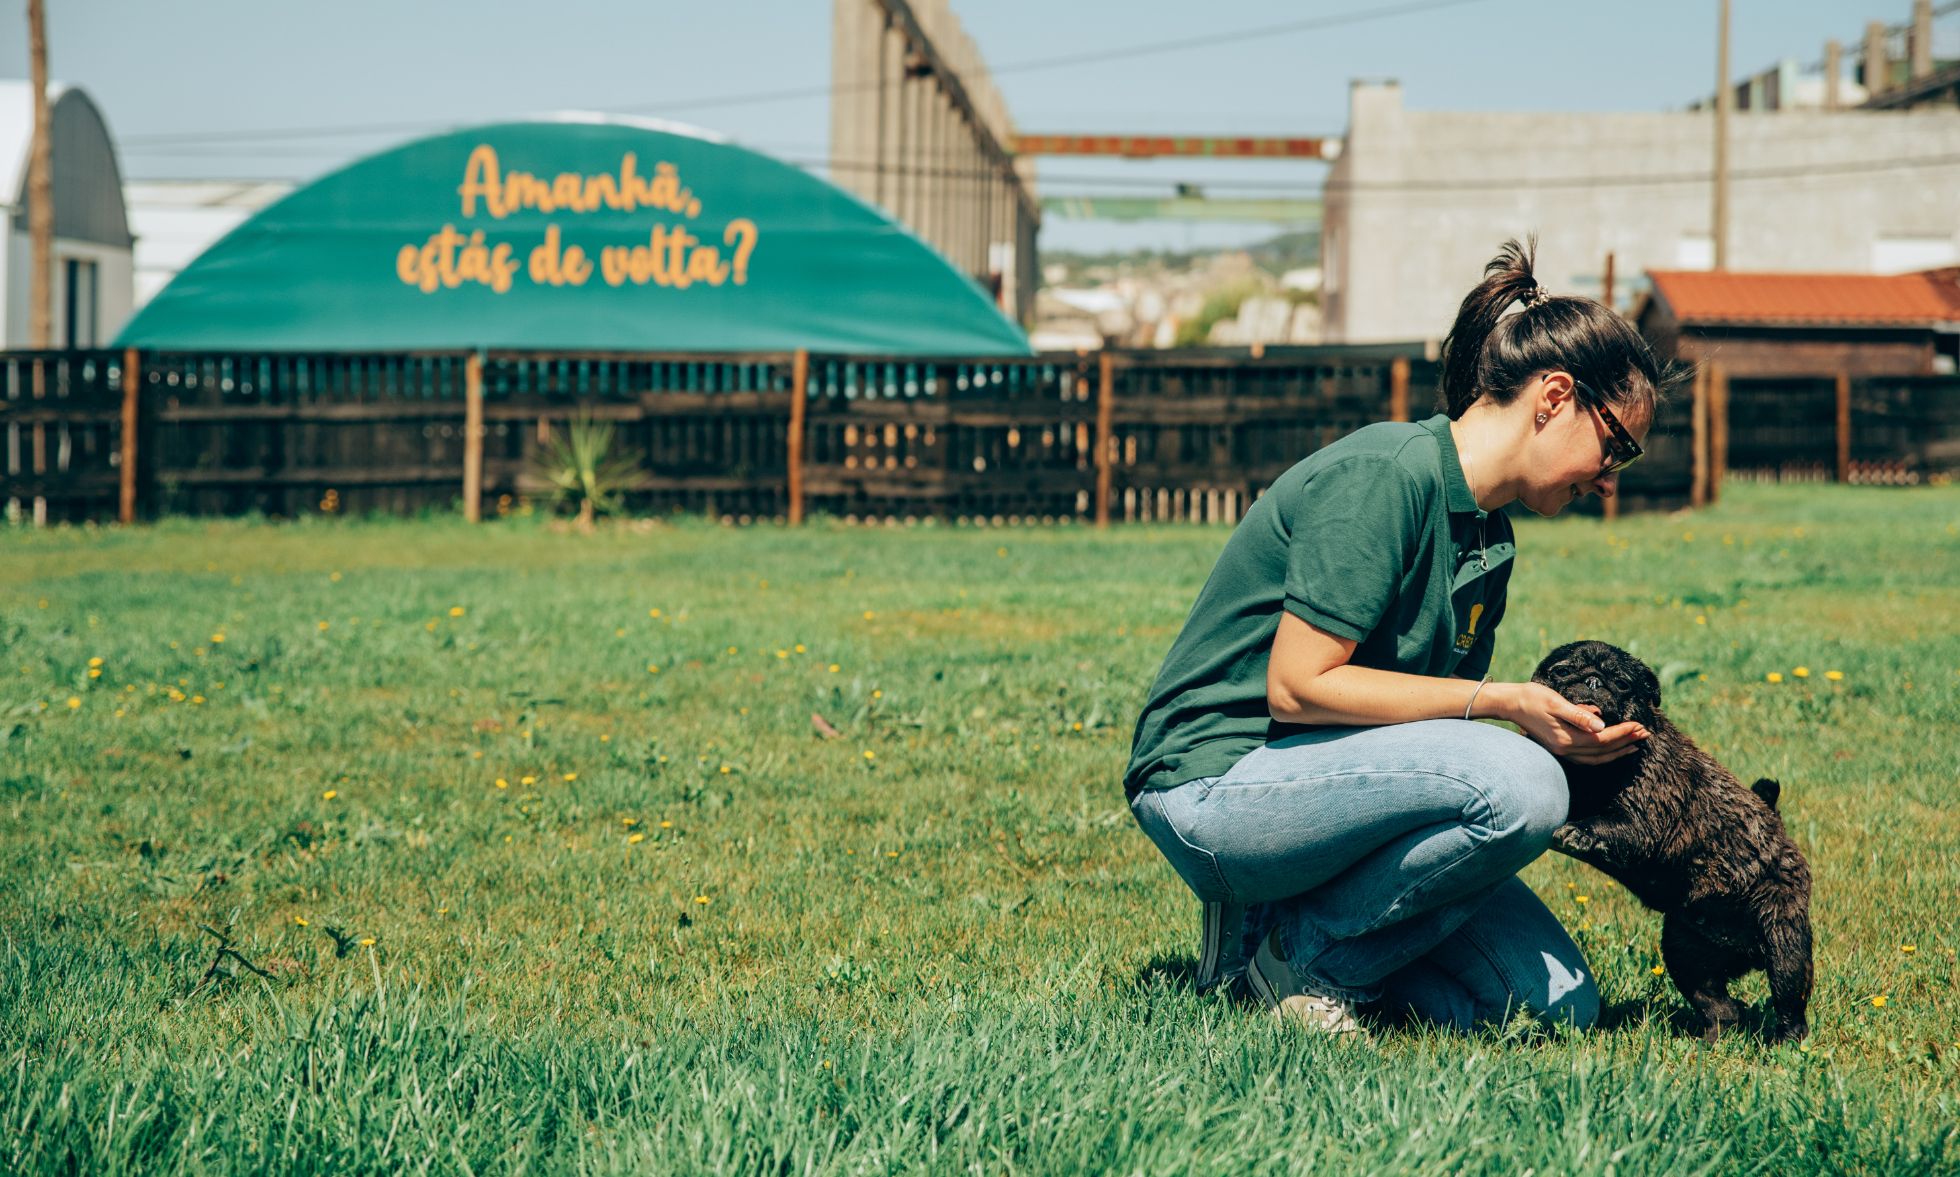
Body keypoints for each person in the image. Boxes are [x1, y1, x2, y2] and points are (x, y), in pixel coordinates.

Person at [1124, 239, 1680, 1035]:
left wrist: (1559, 739)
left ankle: (1275, 933)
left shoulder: (1491, 539)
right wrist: (1504, 704)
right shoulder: (1389, 475)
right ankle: (1301, 957)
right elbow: (1299, 685)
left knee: (1559, 1006)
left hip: (1318, 793)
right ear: (1554, 396)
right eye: (1615, 445)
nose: (1608, 478)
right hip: (1216, 785)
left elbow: (1419, 731)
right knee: (1520, 786)